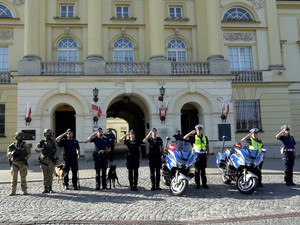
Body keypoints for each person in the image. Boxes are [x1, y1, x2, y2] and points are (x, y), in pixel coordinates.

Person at [184, 124, 210, 189]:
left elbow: (207, 146)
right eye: (198, 130)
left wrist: (208, 154)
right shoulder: (193, 137)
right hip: (196, 156)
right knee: (197, 171)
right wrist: (190, 133)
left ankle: (204, 184)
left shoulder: (205, 137)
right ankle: (197, 184)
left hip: (203, 155)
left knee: (203, 171)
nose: (199, 131)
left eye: (200, 130)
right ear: (196, 130)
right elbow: (184, 138)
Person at [35, 128, 58, 193]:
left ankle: (50, 188)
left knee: (50, 175)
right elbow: (36, 149)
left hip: (51, 160)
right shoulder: (42, 142)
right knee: (45, 175)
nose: (48, 135)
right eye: (46, 133)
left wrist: (56, 158)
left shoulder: (54, 142)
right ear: (44, 134)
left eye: (49, 133)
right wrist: (41, 149)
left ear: (51, 134)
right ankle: (45, 188)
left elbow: (56, 151)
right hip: (44, 160)